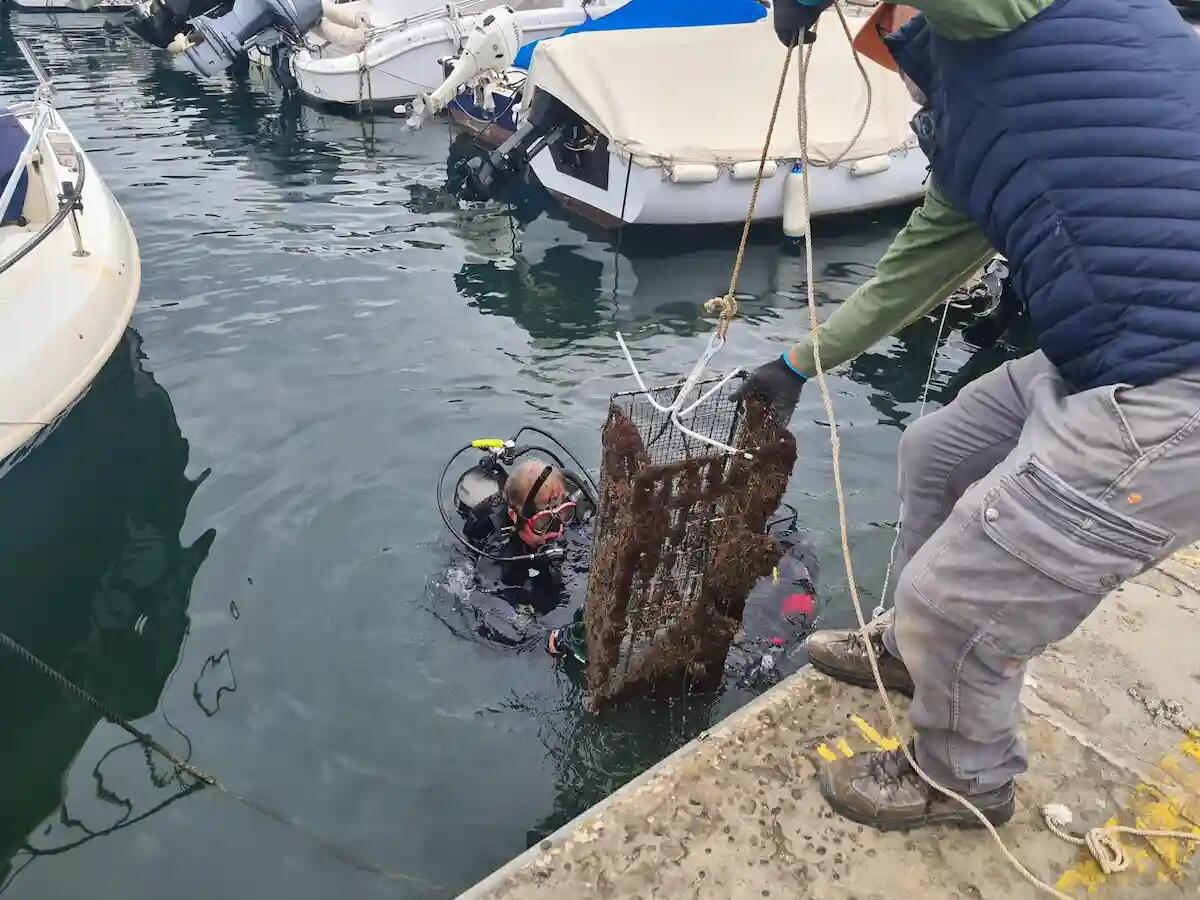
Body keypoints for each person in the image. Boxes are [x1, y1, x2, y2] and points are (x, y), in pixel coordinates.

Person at [735, 0, 1200, 832]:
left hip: (1176, 389)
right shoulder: (974, 129)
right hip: (1108, 352)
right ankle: (913, 654)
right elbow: (908, 275)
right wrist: (795, 363)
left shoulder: (1024, 15)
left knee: (954, 600)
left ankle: (963, 780)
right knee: (939, 452)